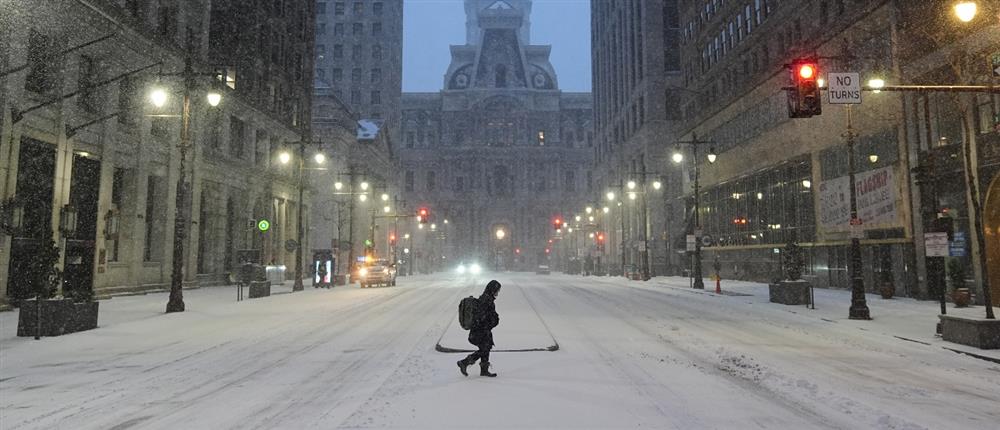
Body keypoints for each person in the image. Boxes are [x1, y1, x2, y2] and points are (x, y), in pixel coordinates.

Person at [458, 280, 501, 377]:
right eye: (497, 290)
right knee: (484, 349)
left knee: (486, 348)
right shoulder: (487, 300)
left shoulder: (485, 298)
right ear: (492, 289)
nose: (498, 293)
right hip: (480, 331)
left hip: (481, 331)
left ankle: (484, 370)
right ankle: (464, 362)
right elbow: (483, 317)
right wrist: (494, 320)